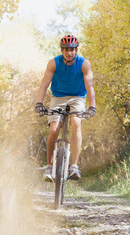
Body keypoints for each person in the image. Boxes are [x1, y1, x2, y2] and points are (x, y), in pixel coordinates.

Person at [35, 34, 96, 181]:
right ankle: (49, 167)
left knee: (76, 123)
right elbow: (44, 84)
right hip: (58, 97)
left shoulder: (84, 64)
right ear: (61, 50)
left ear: (76, 50)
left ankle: (74, 166)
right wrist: (39, 103)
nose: (70, 52)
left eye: (73, 49)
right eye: (66, 49)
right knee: (54, 129)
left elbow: (90, 86)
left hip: (78, 97)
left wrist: (92, 106)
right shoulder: (53, 63)